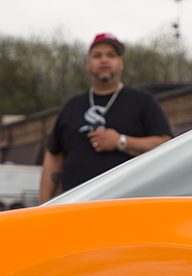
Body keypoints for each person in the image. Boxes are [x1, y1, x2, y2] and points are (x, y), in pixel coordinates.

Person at [40, 33, 173, 201]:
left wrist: (120, 142)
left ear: (121, 64)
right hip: (76, 207)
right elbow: (54, 156)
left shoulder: (142, 101)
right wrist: (43, 206)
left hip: (128, 205)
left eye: (111, 55)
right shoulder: (71, 106)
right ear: (88, 65)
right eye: (97, 55)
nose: (104, 60)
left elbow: (167, 144)